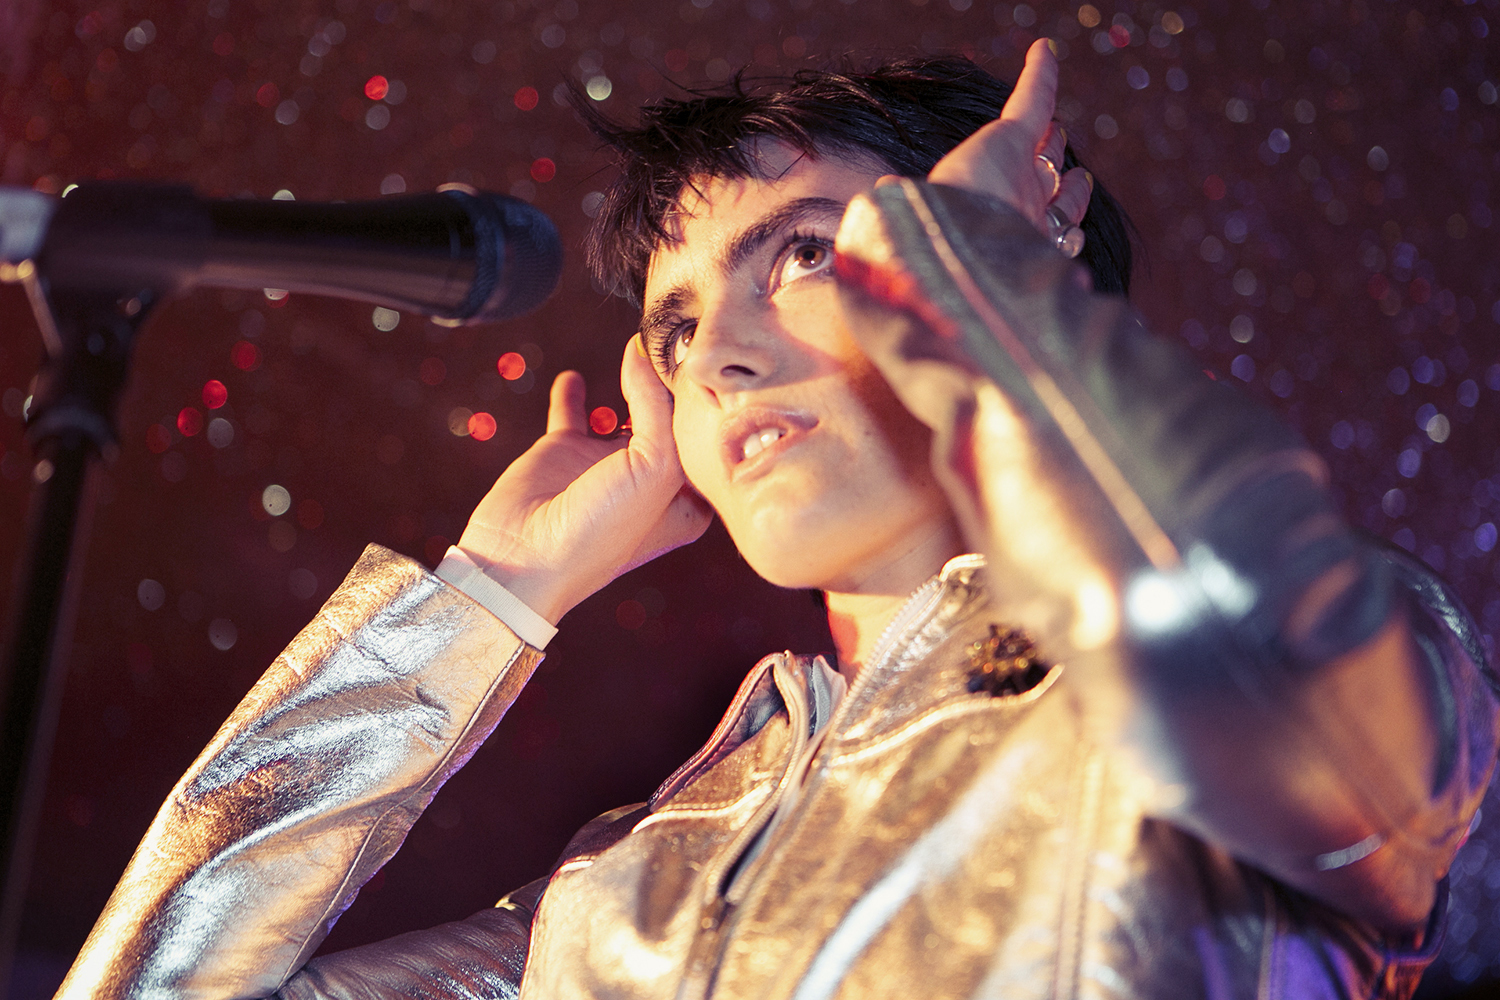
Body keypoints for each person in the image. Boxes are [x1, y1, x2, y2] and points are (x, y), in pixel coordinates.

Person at [55, 41, 1496, 1000]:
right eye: (674, 324)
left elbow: (1254, 676)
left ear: (998, 253)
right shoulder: (622, 883)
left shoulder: (1290, 650)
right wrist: (486, 597)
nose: (717, 354)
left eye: (800, 254)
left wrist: (980, 296)